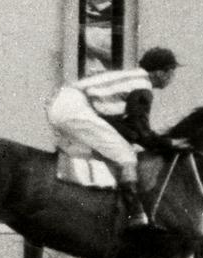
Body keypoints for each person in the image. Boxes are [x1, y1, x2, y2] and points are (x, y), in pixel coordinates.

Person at [46, 47, 186, 229]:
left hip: (63, 104)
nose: (172, 77)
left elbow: (122, 126)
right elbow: (141, 131)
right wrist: (169, 143)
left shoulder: (131, 77)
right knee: (126, 155)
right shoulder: (142, 86)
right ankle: (135, 214)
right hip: (75, 107)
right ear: (160, 72)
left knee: (109, 148)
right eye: (171, 72)